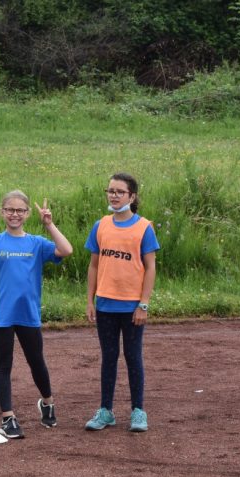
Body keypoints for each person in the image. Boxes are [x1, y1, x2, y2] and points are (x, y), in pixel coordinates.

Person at [0, 191, 73, 438]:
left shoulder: (37, 243)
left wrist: (49, 225)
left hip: (28, 313)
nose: (15, 214)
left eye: (20, 210)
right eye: (10, 209)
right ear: (2, 212)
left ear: (27, 213)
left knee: (36, 361)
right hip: (1, 314)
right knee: (3, 364)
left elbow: (66, 250)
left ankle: (47, 402)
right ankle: (8, 418)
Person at [84, 173, 160, 433]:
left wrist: (143, 304)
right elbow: (94, 266)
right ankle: (106, 411)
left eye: (119, 192)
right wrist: (90, 300)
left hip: (131, 307)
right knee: (109, 357)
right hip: (105, 305)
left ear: (132, 196)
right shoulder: (101, 225)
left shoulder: (144, 227)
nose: (114, 196)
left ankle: (138, 411)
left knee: (132, 356)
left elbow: (150, 268)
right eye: (110, 191)